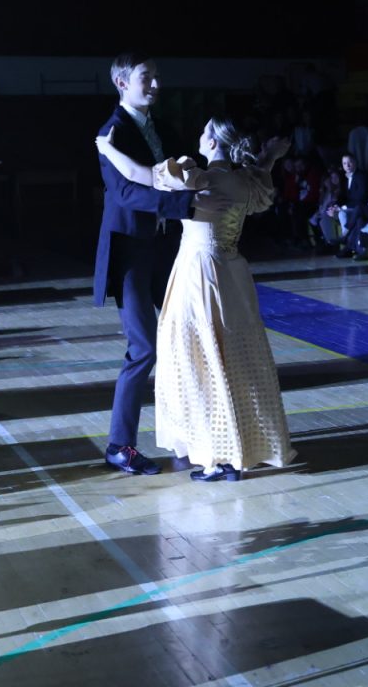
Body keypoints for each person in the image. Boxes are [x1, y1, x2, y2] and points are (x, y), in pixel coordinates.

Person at [96, 119, 296, 483]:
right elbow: (261, 176)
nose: (199, 136)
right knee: (234, 360)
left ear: (213, 142)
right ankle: (237, 451)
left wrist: (106, 148)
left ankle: (215, 456)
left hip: (199, 273)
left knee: (200, 362)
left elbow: (139, 175)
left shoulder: (197, 179)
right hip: (232, 274)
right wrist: (270, 157)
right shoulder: (245, 182)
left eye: (204, 132)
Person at [94, 53, 198, 476]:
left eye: (156, 77)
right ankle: (119, 445)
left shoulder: (163, 128)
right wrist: (186, 205)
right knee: (144, 348)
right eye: (146, 77)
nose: (155, 84)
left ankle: (191, 433)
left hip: (165, 248)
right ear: (122, 82)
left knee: (186, 338)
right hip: (132, 254)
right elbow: (126, 194)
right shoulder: (112, 133)